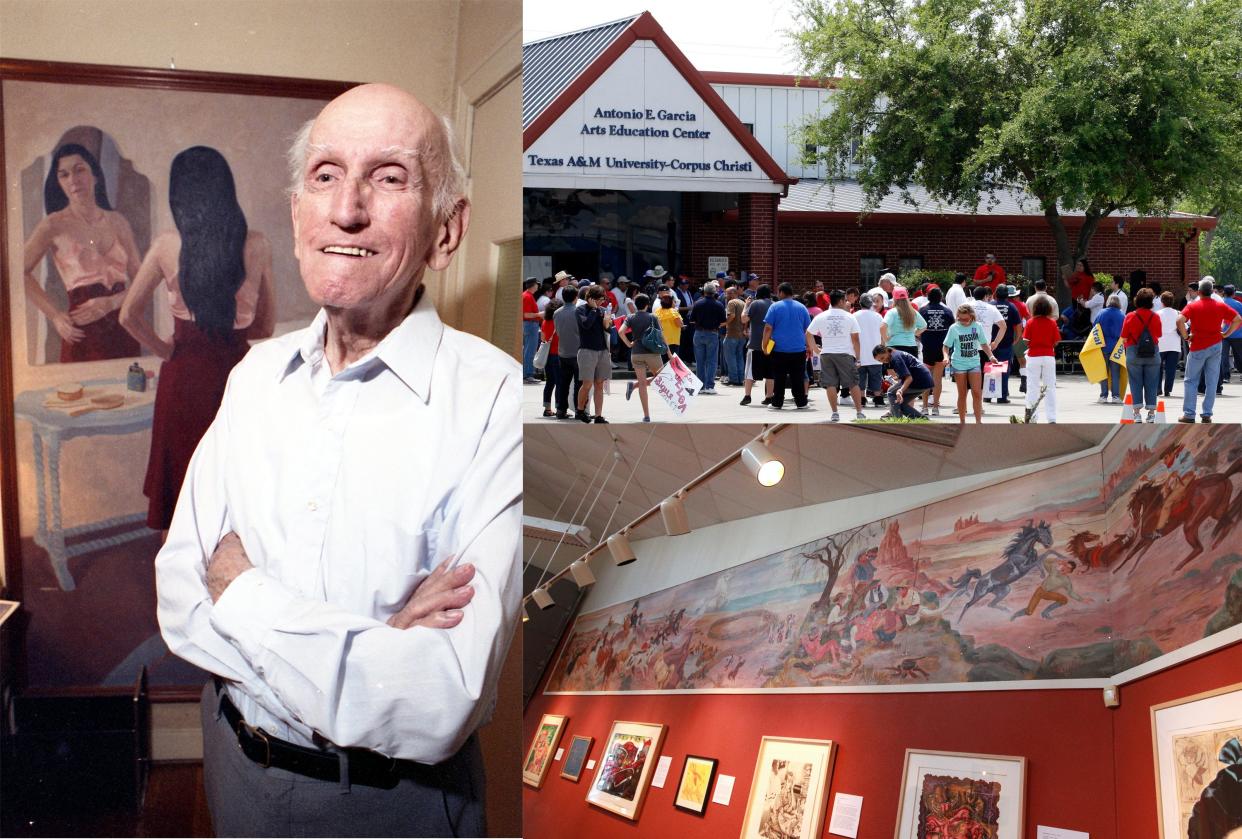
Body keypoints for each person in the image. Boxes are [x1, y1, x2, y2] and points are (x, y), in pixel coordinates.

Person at [154, 84, 518, 837]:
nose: (346, 207)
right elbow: (180, 597)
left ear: (446, 232)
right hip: (234, 768)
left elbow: (438, 699)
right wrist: (371, 641)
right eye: (324, 174)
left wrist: (245, 592)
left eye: (389, 177)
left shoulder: (497, 401)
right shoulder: (253, 377)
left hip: (389, 805)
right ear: (296, 218)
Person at [120, 146, 274, 531]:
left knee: (181, 498)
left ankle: (177, 586)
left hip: (184, 378)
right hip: (236, 378)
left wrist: (166, 350)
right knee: (234, 495)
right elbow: (265, 327)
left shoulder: (165, 245)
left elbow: (127, 315)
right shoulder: (256, 244)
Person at [23, 142, 143, 362]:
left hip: (124, 327)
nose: (73, 180)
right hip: (82, 332)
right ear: (58, 183)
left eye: (79, 170)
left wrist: (110, 303)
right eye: (64, 175)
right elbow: (18, 272)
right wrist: (55, 316)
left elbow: (143, 281)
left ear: (95, 175)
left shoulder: (118, 222)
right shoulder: (52, 225)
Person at [1177, 278, 1242, 423]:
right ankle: (1207, 413)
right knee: (1212, 381)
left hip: (1198, 345)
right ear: (1212, 291)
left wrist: (1186, 336)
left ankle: (1189, 413)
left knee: (1191, 380)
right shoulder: (1220, 305)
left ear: (1199, 292)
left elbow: (1179, 320)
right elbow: (1238, 319)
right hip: (1215, 345)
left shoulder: (1193, 306)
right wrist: (1226, 333)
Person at [806, 289, 866, 422]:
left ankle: (834, 412)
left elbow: (809, 333)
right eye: (844, 300)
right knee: (853, 383)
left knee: (831, 384)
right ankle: (859, 412)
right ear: (840, 301)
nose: (846, 302)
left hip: (827, 354)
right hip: (845, 353)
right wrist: (858, 357)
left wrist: (815, 349)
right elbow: (855, 339)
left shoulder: (821, 316)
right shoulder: (850, 316)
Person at [762, 282, 814, 410]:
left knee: (779, 377)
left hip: (779, 349)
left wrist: (764, 345)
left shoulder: (775, 307)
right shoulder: (802, 308)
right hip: (798, 349)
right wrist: (809, 346)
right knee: (798, 377)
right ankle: (801, 402)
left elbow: (768, 328)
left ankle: (777, 402)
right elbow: (808, 330)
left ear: (781, 292)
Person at [944, 304, 997, 424]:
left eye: (966, 319)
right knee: (962, 394)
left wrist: (991, 356)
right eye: (960, 319)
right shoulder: (954, 328)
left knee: (977, 393)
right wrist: (946, 357)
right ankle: (962, 422)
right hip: (959, 364)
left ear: (972, 317)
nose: (963, 321)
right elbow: (946, 345)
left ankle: (978, 422)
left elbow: (983, 344)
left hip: (974, 362)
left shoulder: (977, 326)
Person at [620, 293, 664, 422]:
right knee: (661, 377)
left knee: (643, 384)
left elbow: (621, 331)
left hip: (636, 353)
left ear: (635, 304)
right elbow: (661, 335)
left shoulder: (630, 317)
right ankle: (633, 385)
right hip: (652, 353)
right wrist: (668, 353)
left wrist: (629, 344)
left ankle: (646, 415)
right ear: (647, 304)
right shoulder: (653, 317)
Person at [1120, 288, 1162, 422]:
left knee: (1135, 381)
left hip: (1133, 351)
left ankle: (1137, 413)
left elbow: (1124, 337)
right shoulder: (1155, 316)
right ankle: (1151, 413)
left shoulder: (1130, 316)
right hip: (1152, 352)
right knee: (1152, 382)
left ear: (1137, 300)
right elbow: (1159, 334)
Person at [577, 285, 614, 422]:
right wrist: (593, 310)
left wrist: (607, 324)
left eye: (603, 300)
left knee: (599, 384)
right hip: (587, 350)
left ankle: (598, 415)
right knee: (587, 384)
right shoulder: (581, 310)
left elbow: (610, 330)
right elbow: (586, 325)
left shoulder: (603, 310)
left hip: (602, 350)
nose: (601, 303)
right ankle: (580, 410)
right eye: (598, 300)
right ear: (590, 298)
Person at [1023, 295, 1060, 422]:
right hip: (1048, 355)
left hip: (1033, 356)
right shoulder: (1052, 322)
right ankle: (1051, 418)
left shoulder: (1030, 322)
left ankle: (1032, 417)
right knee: (1050, 387)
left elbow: (1026, 340)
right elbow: (1056, 341)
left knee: (1032, 387)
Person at [872, 345, 933, 419]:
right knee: (901, 404)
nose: (883, 361)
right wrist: (897, 378)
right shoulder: (895, 354)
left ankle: (897, 419)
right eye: (879, 360)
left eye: (882, 358)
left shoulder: (896, 358)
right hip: (926, 380)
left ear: (887, 351)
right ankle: (923, 420)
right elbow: (907, 373)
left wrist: (900, 390)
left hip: (920, 380)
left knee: (891, 392)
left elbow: (909, 378)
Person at [918, 287, 953, 416]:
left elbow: (917, 328)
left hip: (927, 346)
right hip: (942, 347)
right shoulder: (947, 311)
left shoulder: (923, 310)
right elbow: (952, 329)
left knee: (926, 377)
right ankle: (936, 407)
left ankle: (925, 407)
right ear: (941, 297)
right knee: (937, 379)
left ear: (928, 297)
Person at [688, 281, 726, 394]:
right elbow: (723, 321)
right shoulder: (719, 304)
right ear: (714, 292)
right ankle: (709, 386)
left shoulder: (698, 304)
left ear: (704, 292)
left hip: (699, 333)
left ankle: (701, 386)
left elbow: (692, 320)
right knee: (712, 361)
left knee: (700, 361)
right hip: (713, 333)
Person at [741, 284, 774, 406]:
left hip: (755, 343)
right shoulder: (774, 304)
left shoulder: (755, 304)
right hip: (771, 343)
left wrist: (746, 305)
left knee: (749, 371)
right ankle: (769, 396)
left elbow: (744, 319)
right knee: (770, 372)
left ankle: (747, 396)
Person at [989, 285, 1023, 404]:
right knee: (1004, 369)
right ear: (1007, 295)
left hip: (990, 343)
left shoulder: (991, 305)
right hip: (1006, 343)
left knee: (991, 368)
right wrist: (1017, 339)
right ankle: (1002, 396)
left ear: (996, 294)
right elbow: (1018, 326)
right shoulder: (1011, 307)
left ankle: (988, 394)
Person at [552, 285, 581, 419]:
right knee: (578, 384)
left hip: (562, 351)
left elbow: (557, 332)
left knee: (563, 383)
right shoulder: (579, 311)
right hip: (578, 352)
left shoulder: (556, 313)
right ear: (576, 297)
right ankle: (578, 410)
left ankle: (560, 410)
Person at [854, 293, 887, 408]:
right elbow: (883, 335)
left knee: (860, 377)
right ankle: (878, 398)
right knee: (876, 377)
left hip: (860, 353)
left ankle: (862, 398)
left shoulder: (855, 316)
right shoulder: (878, 316)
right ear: (871, 303)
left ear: (860, 303)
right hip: (876, 353)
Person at [1096, 295, 1125, 404]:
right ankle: (1116, 396)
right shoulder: (1122, 315)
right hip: (1117, 347)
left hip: (1103, 345)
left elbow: (1095, 328)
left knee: (1103, 372)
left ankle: (1103, 396)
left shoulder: (1101, 313)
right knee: (1115, 373)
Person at [882, 287, 926, 356]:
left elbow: (882, 327)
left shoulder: (892, 312)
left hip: (894, 346)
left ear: (894, 299)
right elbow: (924, 326)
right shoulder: (913, 312)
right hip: (911, 347)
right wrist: (913, 333)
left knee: (893, 367)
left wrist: (886, 339)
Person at [1157, 290, 1182, 398]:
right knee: (1171, 369)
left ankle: (1158, 389)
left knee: (1158, 368)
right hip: (1174, 344)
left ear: (1162, 301)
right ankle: (1168, 390)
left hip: (1160, 343)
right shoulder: (1178, 313)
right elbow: (1183, 327)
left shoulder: (1157, 314)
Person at [539, 299, 562, 417]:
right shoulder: (559, 321)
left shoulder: (545, 322)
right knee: (559, 383)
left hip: (548, 356)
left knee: (549, 383)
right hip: (558, 355)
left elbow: (543, 338)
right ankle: (559, 409)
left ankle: (547, 409)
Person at [723, 285, 747, 386]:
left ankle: (733, 379)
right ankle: (740, 378)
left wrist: (724, 323)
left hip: (732, 334)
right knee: (739, 357)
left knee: (730, 357)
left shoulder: (731, 302)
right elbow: (746, 318)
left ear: (733, 293)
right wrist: (744, 329)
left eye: (728, 293)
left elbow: (731, 315)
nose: (726, 295)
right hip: (741, 335)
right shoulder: (743, 302)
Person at [654, 286, 683, 358]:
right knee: (672, 363)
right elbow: (679, 324)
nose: (674, 302)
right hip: (673, 341)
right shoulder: (673, 312)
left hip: (661, 340)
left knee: (663, 362)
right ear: (670, 302)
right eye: (673, 301)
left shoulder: (657, 311)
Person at [521, 276, 540, 382]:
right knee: (530, 350)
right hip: (530, 324)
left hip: (528, 325)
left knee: (527, 350)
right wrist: (540, 314)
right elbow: (527, 315)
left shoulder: (526, 295)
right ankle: (528, 374)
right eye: (537, 284)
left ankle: (526, 373)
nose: (538, 286)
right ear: (534, 285)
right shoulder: (528, 296)